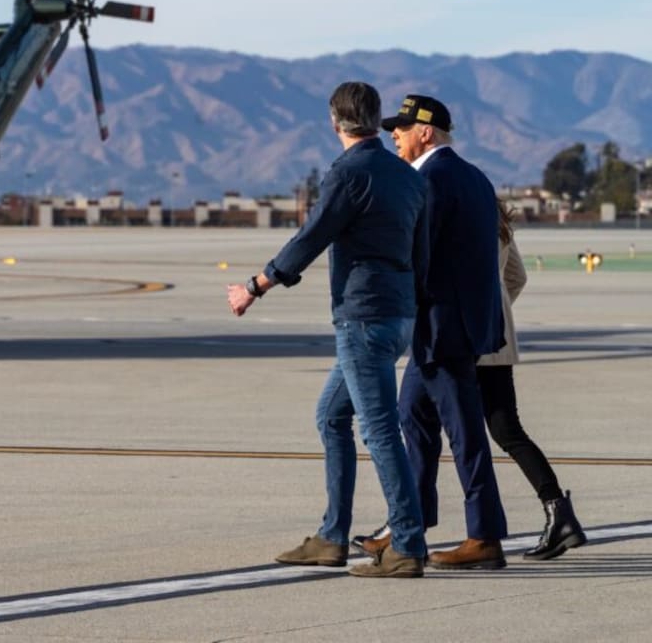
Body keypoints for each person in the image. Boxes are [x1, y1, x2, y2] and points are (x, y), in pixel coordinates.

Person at [227, 81, 429, 578]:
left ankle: (407, 544)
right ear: (377, 119)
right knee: (330, 417)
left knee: (380, 432)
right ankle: (332, 537)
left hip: (363, 317)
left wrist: (257, 284)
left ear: (334, 122)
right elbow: (422, 249)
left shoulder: (349, 173)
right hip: (399, 314)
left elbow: (312, 236)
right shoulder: (406, 176)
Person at [359, 95, 509, 570]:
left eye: (401, 129)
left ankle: (484, 537)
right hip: (453, 326)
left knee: (464, 431)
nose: (394, 136)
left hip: (441, 330)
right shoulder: (475, 177)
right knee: (413, 416)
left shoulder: (429, 179)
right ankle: (411, 523)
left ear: (426, 132)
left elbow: (418, 256)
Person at [477, 199, 586, 559]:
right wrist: (495, 310)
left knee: (424, 428)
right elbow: (516, 277)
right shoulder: (491, 212)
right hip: (497, 342)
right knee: (508, 430)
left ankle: (410, 525)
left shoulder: (454, 202)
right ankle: (557, 511)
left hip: (464, 342)